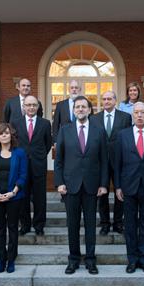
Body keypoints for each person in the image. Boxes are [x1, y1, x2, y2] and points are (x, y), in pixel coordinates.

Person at [54, 96, 108, 275]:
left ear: (89, 110)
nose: (80, 110)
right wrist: (59, 182)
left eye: (84, 107)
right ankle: (73, 259)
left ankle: (91, 260)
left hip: (92, 186)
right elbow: (59, 160)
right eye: (77, 107)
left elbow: (104, 160)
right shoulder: (64, 130)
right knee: (73, 225)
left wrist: (103, 184)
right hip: (70, 186)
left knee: (91, 224)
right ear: (73, 110)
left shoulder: (99, 131)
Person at [114, 102, 144, 274]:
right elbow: (117, 163)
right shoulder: (123, 135)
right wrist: (118, 186)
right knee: (130, 223)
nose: (140, 115)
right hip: (128, 186)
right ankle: (132, 259)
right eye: (136, 113)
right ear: (132, 115)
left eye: (143, 112)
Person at [0, 123, 27, 273]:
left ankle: (11, 259)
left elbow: (23, 175)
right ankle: (2, 259)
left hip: (14, 197)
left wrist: (14, 192)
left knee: (13, 228)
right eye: (1, 133)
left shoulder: (20, 153)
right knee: (0, 228)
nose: (4, 135)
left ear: (11, 135)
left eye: (7, 133)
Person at [91, 91, 131, 235]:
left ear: (115, 100)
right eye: (104, 99)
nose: (106, 101)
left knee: (120, 192)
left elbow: (128, 139)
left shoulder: (125, 117)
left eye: (109, 99)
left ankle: (118, 223)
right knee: (102, 193)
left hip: (120, 161)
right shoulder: (94, 119)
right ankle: (105, 223)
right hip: (101, 163)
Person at [11, 95, 52, 236]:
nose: (31, 107)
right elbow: (13, 144)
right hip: (21, 166)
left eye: (34, 105)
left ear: (38, 107)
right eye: (28, 105)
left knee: (40, 197)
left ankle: (39, 225)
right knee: (23, 196)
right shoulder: (15, 123)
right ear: (24, 107)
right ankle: (25, 225)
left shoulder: (45, 123)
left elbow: (47, 144)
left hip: (39, 164)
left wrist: (38, 156)